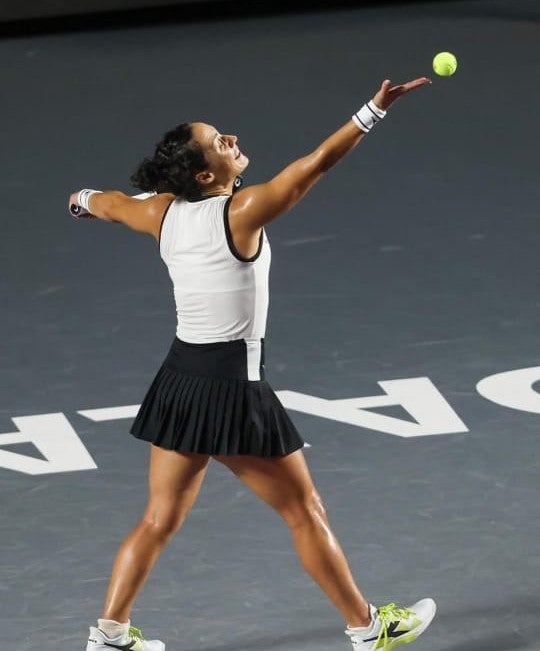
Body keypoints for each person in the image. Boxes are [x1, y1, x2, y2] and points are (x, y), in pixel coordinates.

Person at [70, 77, 436, 651]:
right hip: (232, 391)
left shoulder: (160, 214)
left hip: (179, 381)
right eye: (218, 142)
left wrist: (82, 201)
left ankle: (109, 636)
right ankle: (369, 629)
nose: (231, 138)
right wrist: (373, 110)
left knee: (158, 520)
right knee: (304, 511)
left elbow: (108, 203)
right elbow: (315, 164)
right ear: (205, 177)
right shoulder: (240, 211)